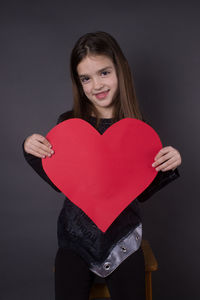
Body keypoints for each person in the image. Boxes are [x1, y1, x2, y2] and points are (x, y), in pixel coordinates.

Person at [23, 31, 182, 300]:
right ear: (78, 83)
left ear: (120, 70)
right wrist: (30, 147)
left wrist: (169, 163)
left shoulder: (138, 131)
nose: (96, 85)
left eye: (104, 73)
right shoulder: (68, 126)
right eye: (86, 78)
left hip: (123, 241)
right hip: (74, 240)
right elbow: (58, 179)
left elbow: (141, 191)